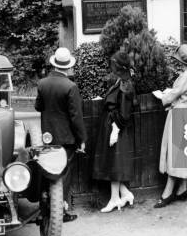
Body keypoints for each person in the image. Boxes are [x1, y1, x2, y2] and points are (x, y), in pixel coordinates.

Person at [35, 47, 88, 222]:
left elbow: (38, 107)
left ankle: (44, 209)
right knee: (64, 174)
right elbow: (76, 117)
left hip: (48, 136)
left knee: (47, 169)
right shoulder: (70, 86)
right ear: (68, 66)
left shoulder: (42, 83)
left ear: (54, 64)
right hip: (66, 139)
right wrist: (81, 139)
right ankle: (61, 211)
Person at [154, 44, 187, 208]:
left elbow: (175, 93)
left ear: (183, 62)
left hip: (180, 115)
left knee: (176, 153)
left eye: (179, 61)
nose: (178, 63)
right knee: (182, 151)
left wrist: (163, 96)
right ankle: (182, 189)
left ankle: (167, 193)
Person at [92, 51, 136, 213]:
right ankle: (125, 194)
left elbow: (124, 113)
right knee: (112, 163)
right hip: (111, 125)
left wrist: (115, 131)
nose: (112, 67)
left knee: (114, 165)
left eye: (114, 64)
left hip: (116, 127)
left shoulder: (126, 84)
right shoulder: (121, 81)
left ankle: (114, 199)